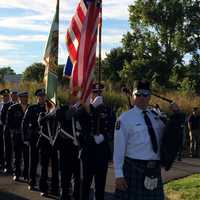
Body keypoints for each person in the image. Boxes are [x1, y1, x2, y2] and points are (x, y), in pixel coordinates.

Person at [114, 80, 168, 200]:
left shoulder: (157, 117)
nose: (142, 97)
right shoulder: (124, 119)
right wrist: (118, 174)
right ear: (133, 96)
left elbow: (168, 137)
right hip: (133, 169)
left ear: (149, 97)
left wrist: (177, 116)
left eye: (145, 94)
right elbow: (119, 148)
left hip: (154, 170)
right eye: (138, 94)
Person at [81, 83, 116, 200]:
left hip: (102, 151)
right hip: (88, 150)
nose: (97, 94)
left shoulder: (108, 110)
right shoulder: (84, 108)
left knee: (100, 184)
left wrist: (104, 137)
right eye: (95, 92)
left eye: (99, 92)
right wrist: (93, 107)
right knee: (85, 182)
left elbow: (113, 129)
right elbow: (77, 121)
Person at [22, 88, 47, 190]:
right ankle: (31, 182)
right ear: (37, 97)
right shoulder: (32, 108)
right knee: (33, 162)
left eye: (43, 96)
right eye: (40, 96)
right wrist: (26, 138)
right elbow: (24, 123)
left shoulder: (48, 108)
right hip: (34, 139)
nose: (41, 97)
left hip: (45, 139)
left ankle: (43, 185)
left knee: (44, 163)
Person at [37, 100, 59, 197]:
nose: (50, 107)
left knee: (55, 169)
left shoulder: (56, 117)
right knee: (44, 168)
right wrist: (50, 114)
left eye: (52, 105)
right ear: (46, 107)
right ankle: (43, 188)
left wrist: (56, 112)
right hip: (45, 144)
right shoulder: (42, 114)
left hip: (54, 145)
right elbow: (40, 122)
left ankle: (55, 189)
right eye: (49, 105)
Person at [7, 91, 29, 181]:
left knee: (27, 156)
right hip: (17, 135)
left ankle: (26, 175)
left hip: (27, 136)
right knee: (17, 156)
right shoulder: (13, 108)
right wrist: (13, 131)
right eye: (23, 97)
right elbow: (9, 122)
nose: (25, 99)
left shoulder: (30, 108)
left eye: (26, 97)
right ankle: (17, 173)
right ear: (20, 98)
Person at [0, 89, 10, 171]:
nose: (5, 97)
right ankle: (1, 164)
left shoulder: (11, 105)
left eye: (6, 96)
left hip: (7, 128)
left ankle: (7, 164)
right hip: (0, 127)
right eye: (4, 96)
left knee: (7, 147)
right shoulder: (0, 105)